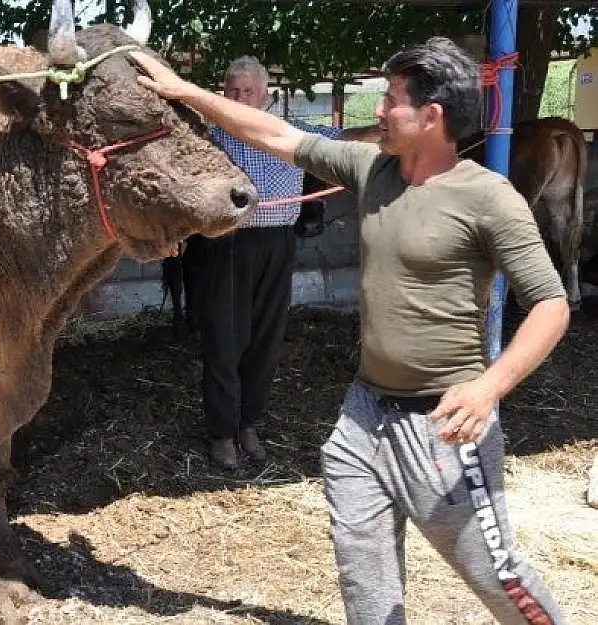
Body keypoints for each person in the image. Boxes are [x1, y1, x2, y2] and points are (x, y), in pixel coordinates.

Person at [130, 38, 568, 624]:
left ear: (431, 116)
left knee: (497, 575)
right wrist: (185, 91)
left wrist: (489, 387)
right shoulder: (374, 171)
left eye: (390, 101)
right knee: (364, 577)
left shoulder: (488, 198)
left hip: (443, 425)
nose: (378, 114)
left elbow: (551, 304)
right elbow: (277, 136)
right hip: (363, 419)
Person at [189, 55, 373, 470]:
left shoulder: (292, 132)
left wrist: (385, 132)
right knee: (224, 338)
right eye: (231, 92)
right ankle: (222, 433)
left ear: (264, 95)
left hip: (277, 243)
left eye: (246, 92)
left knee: (266, 338)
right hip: (226, 242)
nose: (237, 98)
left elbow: (341, 138)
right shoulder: (210, 138)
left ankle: (249, 424)